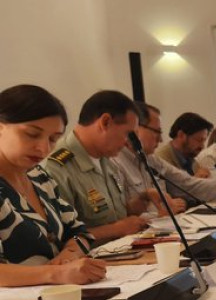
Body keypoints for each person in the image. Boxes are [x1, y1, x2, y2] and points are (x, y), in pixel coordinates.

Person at [0, 85, 106, 287]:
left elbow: (80, 232)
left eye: (53, 139)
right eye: (31, 134)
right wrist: (55, 273)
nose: (43, 148)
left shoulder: (39, 177)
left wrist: (69, 254)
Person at [43, 90, 148, 243]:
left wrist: (142, 200)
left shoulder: (107, 160)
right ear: (105, 122)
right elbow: (60, 237)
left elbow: (114, 214)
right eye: (127, 134)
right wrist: (116, 229)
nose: (127, 142)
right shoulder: (57, 167)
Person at [115, 102, 216, 215]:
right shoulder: (115, 163)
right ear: (135, 129)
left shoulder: (151, 160)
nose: (161, 138)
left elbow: (189, 184)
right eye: (156, 132)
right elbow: (122, 215)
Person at [155, 112, 213, 179]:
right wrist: (195, 181)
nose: (202, 146)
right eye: (199, 140)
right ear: (181, 135)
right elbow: (163, 189)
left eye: (204, 141)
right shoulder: (160, 161)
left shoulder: (192, 161)